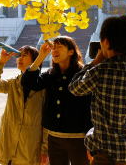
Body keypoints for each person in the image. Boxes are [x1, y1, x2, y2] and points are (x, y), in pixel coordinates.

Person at [69, 15, 126, 165]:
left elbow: (74, 88)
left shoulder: (101, 71)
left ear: (105, 42)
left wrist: (95, 62)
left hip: (109, 155)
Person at [21, 36, 92, 165]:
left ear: (71, 51)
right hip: (54, 137)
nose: (54, 50)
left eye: (59, 47)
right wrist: (41, 56)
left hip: (79, 137)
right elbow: (28, 83)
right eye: (53, 47)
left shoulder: (83, 73)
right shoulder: (50, 74)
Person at [0, 45, 47, 165]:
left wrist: (45, 148)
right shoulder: (13, 83)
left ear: (36, 60)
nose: (20, 58)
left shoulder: (43, 85)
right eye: (18, 55)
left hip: (30, 145)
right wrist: (1, 62)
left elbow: (47, 120)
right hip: (9, 142)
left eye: (24, 55)